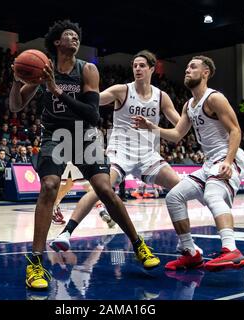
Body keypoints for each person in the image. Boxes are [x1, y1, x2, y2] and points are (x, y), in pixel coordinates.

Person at [9, 20, 160, 290]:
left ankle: (139, 245)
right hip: (54, 134)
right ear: (56, 42)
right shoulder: (42, 70)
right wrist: (17, 81)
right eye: (68, 35)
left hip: (84, 133)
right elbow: (16, 106)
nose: (74, 39)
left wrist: (56, 90)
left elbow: (92, 114)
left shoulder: (87, 69)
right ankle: (35, 263)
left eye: (77, 36)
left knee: (104, 187)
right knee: (49, 186)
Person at [50, 50, 186, 254]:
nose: (137, 69)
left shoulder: (161, 97)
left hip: (148, 154)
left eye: (142, 65)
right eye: (135, 65)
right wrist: (65, 91)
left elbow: (179, 126)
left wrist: (190, 111)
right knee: (99, 189)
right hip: (120, 152)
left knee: (181, 189)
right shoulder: (121, 91)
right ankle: (66, 233)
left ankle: (186, 243)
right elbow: (93, 99)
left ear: (151, 68)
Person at [133, 55, 244, 272]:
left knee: (212, 195)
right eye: (186, 67)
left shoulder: (215, 98)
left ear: (205, 73)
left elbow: (235, 130)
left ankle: (231, 250)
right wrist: (151, 127)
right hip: (209, 163)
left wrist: (228, 161)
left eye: (193, 67)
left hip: (227, 157)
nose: (187, 70)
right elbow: (177, 134)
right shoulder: (189, 105)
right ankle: (190, 252)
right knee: (174, 196)